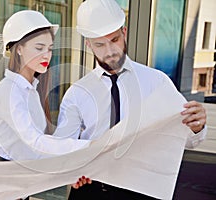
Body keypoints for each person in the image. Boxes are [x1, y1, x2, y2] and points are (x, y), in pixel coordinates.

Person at [53, 0, 207, 199]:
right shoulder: (77, 93)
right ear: (88, 44)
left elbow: (187, 140)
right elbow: (62, 149)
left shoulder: (157, 82)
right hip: (90, 191)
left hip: (141, 192)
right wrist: (70, 171)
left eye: (115, 39)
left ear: (124, 32)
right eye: (99, 44)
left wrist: (196, 127)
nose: (109, 51)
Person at [0, 10, 90, 200]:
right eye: (39, 48)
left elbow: (37, 150)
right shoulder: (9, 91)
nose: (47, 55)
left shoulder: (31, 90)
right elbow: (34, 143)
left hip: (18, 183)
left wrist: (69, 172)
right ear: (19, 48)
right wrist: (86, 147)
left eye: (50, 48)